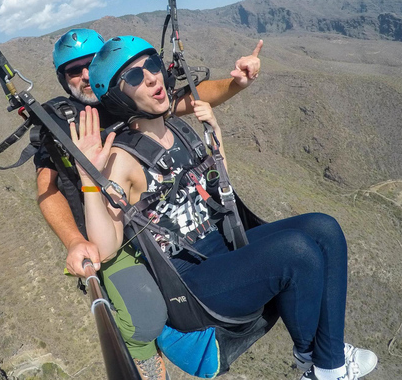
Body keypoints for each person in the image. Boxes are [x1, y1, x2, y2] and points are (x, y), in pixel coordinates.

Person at [72, 36, 378, 380]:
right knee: (297, 252)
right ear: (117, 96)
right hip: (191, 285)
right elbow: (108, 245)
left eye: (153, 66)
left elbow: (220, 192)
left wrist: (215, 136)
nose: (153, 78)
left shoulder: (180, 129)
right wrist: (89, 178)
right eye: (134, 76)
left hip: (225, 254)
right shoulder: (121, 159)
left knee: (324, 228)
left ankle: (329, 360)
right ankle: (320, 366)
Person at [36, 29, 261, 379]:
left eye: (90, 66)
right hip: (110, 233)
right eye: (73, 71)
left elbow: (186, 99)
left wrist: (238, 84)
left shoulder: (131, 95)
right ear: (62, 79)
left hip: (157, 218)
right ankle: (146, 362)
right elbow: (47, 188)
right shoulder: (61, 124)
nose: (83, 75)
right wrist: (74, 241)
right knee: (143, 319)